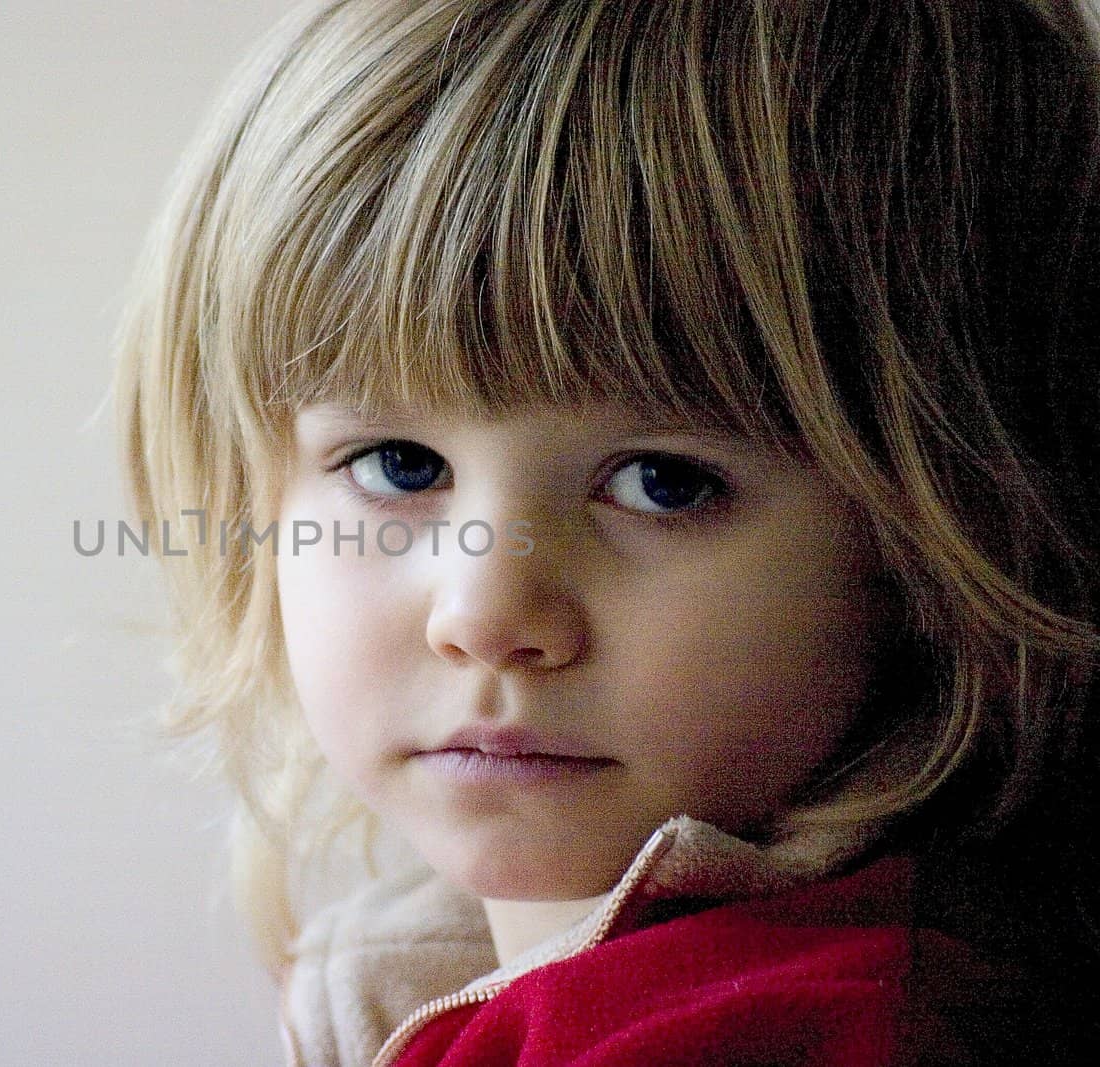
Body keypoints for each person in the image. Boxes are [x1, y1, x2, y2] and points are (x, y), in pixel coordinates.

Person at [112, 0, 1100, 1062]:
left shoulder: (834, 1031)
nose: (484, 614)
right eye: (398, 465)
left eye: (663, 481)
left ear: (949, 523)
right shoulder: (419, 962)